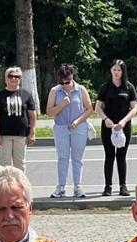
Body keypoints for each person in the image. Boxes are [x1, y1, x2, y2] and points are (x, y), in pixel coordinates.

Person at [46, 64, 93, 199]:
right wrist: (62, 105)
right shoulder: (55, 91)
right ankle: (61, 187)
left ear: (72, 77)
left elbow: (89, 109)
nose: (65, 85)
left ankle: (78, 186)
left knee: (77, 158)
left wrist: (78, 121)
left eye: (68, 82)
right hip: (61, 127)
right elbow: (49, 112)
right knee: (63, 157)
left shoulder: (80, 90)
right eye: (62, 82)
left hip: (78, 127)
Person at [96, 60, 137, 197]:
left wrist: (124, 121)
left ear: (123, 71)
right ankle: (107, 186)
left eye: (119, 70)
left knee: (121, 156)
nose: (116, 72)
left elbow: (134, 108)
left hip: (123, 126)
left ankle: (123, 186)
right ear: (111, 70)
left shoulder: (129, 87)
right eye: (114, 69)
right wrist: (106, 119)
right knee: (109, 156)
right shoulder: (105, 87)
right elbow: (97, 108)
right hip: (108, 126)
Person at [0, 66, 37, 172]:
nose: (14, 79)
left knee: (20, 163)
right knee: (4, 163)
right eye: (11, 76)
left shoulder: (26, 95)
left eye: (17, 76)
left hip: (21, 134)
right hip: (4, 135)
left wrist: (32, 133)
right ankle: (4, 187)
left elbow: (32, 115)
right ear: (5, 78)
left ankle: (19, 186)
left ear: (20, 79)